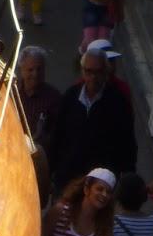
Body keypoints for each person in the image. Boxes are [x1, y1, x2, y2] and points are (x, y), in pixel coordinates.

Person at [48, 46, 137, 192]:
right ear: (82, 71)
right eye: (89, 72)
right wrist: (51, 172)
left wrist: (126, 179)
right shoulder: (70, 96)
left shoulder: (118, 102)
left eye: (98, 72)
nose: (93, 77)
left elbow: (127, 144)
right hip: (68, 178)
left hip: (101, 184)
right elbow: (57, 136)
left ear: (106, 72)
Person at [16, 45, 62, 159]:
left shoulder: (54, 97)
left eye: (39, 69)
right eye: (30, 70)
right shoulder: (11, 93)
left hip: (39, 155)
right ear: (21, 70)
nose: (35, 74)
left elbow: (56, 133)